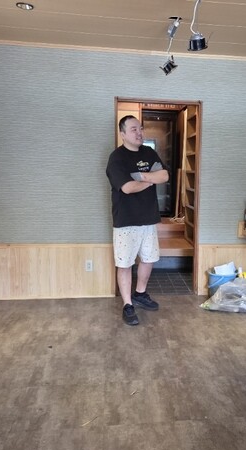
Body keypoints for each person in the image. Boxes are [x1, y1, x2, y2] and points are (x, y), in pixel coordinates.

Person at [106, 115, 169, 326]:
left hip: (148, 217)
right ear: (122, 134)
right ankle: (128, 304)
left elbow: (164, 176)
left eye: (140, 128)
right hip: (126, 219)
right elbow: (127, 188)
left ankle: (140, 293)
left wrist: (141, 177)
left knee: (149, 258)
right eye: (133, 129)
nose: (139, 132)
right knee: (125, 263)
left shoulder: (149, 152)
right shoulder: (116, 158)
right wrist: (151, 178)